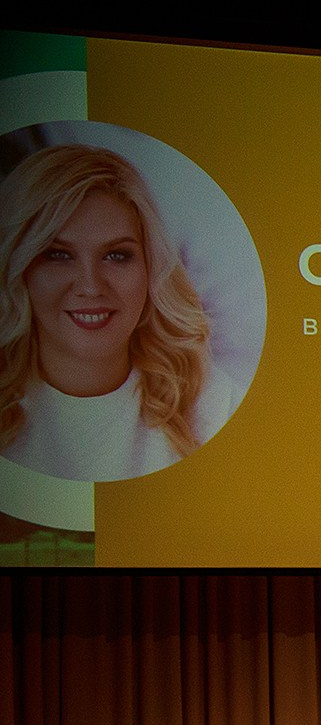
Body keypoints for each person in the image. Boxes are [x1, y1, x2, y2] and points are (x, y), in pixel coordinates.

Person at [0, 143, 237, 482]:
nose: (91, 286)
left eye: (116, 255)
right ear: (18, 267)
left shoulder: (211, 405)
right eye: (57, 255)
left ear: (150, 267)